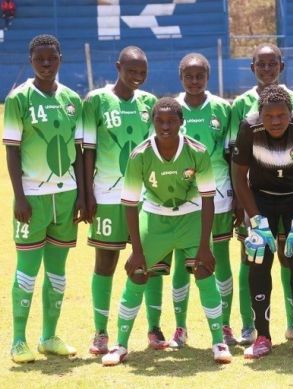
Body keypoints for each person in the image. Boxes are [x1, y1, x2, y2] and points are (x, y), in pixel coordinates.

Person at [101, 97, 232, 366]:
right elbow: (129, 204)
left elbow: (208, 199)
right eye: (159, 121)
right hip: (155, 218)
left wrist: (205, 246)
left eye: (171, 121)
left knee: (205, 272)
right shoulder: (140, 155)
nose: (165, 126)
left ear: (181, 122)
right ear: (152, 122)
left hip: (191, 217)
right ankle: (120, 344)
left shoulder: (197, 151)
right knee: (137, 273)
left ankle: (218, 341)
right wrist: (136, 251)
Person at [4, 34, 86, 363]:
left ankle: (49, 337)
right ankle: (18, 341)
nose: (47, 64)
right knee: (27, 270)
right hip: (32, 199)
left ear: (60, 58)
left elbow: (79, 152)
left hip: (65, 198)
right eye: (40, 60)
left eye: (52, 58)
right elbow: (11, 150)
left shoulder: (71, 100)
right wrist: (19, 196)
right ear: (31, 61)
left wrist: (81, 194)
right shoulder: (18, 99)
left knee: (57, 272)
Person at [232, 85, 293, 358]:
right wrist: (255, 221)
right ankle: (262, 337)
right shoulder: (249, 128)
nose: (275, 121)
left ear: (290, 113)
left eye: (281, 115)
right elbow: (239, 177)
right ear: (259, 115)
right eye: (269, 116)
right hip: (261, 200)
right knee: (258, 262)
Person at [82, 46, 161, 355]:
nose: (137, 77)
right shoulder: (96, 100)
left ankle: (154, 328)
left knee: (150, 262)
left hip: (144, 197)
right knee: (106, 261)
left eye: (142, 72)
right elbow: (87, 150)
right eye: (131, 71)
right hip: (107, 195)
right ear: (118, 67)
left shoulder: (150, 103)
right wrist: (87, 194)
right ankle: (101, 332)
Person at [227, 43, 293, 344]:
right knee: (252, 256)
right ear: (252, 68)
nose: (266, 69)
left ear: (281, 66)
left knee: (291, 256)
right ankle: (249, 324)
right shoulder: (239, 104)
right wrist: (239, 199)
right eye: (260, 64)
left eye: (272, 64)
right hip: (253, 195)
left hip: (290, 195)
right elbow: (232, 156)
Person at [160, 53, 235, 347]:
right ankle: (180, 327)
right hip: (181, 196)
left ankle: (226, 325)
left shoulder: (222, 108)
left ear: (208, 76)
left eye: (200, 76)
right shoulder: (172, 108)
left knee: (221, 259)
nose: (194, 81)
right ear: (181, 78)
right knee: (182, 261)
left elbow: (231, 156)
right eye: (189, 76)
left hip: (218, 195)